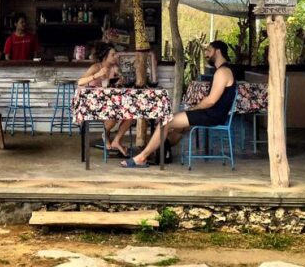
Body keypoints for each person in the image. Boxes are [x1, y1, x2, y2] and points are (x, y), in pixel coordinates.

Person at [121, 39, 236, 169]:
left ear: (218, 51)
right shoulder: (224, 70)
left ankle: (141, 158)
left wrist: (194, 109)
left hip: (212, 115)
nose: (206, 54)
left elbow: (211, 100)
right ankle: (162, 148)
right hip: (212, 114)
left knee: (165, 122)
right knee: (178, 127)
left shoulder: (223, 72)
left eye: (209, 51)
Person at [78, 43, 133, 157]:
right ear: (105, 57)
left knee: (130, 115)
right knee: (112, 118)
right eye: (113, 55)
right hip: (94, 104)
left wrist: (119, 82)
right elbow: (79, 82)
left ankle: (117, 140)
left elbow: (112, 86)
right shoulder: (96, 67)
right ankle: (106, 135)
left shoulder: (114, 68)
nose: (115, 56)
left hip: (110, 103)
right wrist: (96, 75)